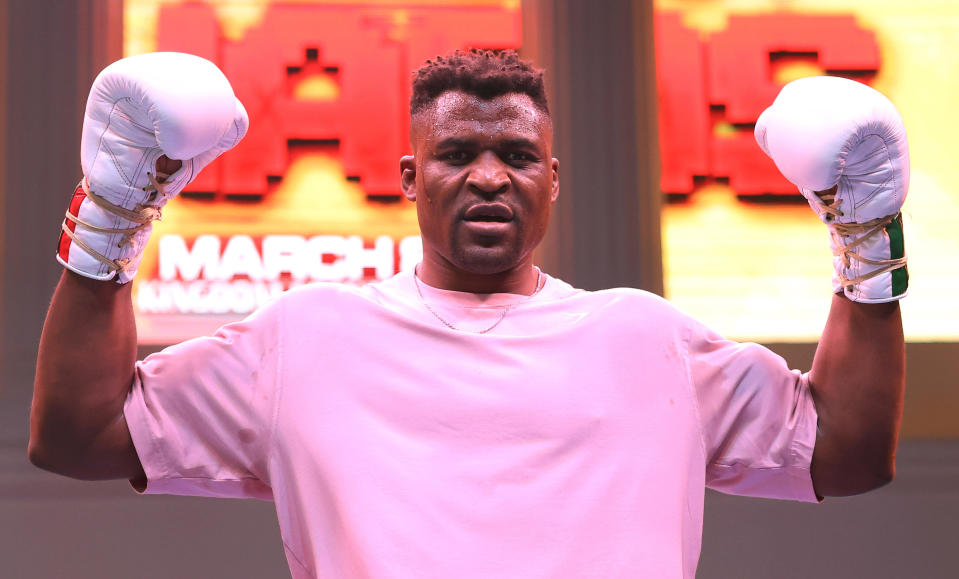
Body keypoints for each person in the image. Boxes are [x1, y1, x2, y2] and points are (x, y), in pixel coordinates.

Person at [29, 49, 907, 578]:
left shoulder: (649, 338)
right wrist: (114, 208)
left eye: (518, 154)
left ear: (552, 182)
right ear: (410, 179)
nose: (489, 174)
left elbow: (849, 452)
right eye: (457, 152)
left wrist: (865, 234)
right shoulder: (306, 335)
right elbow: (77, 433)